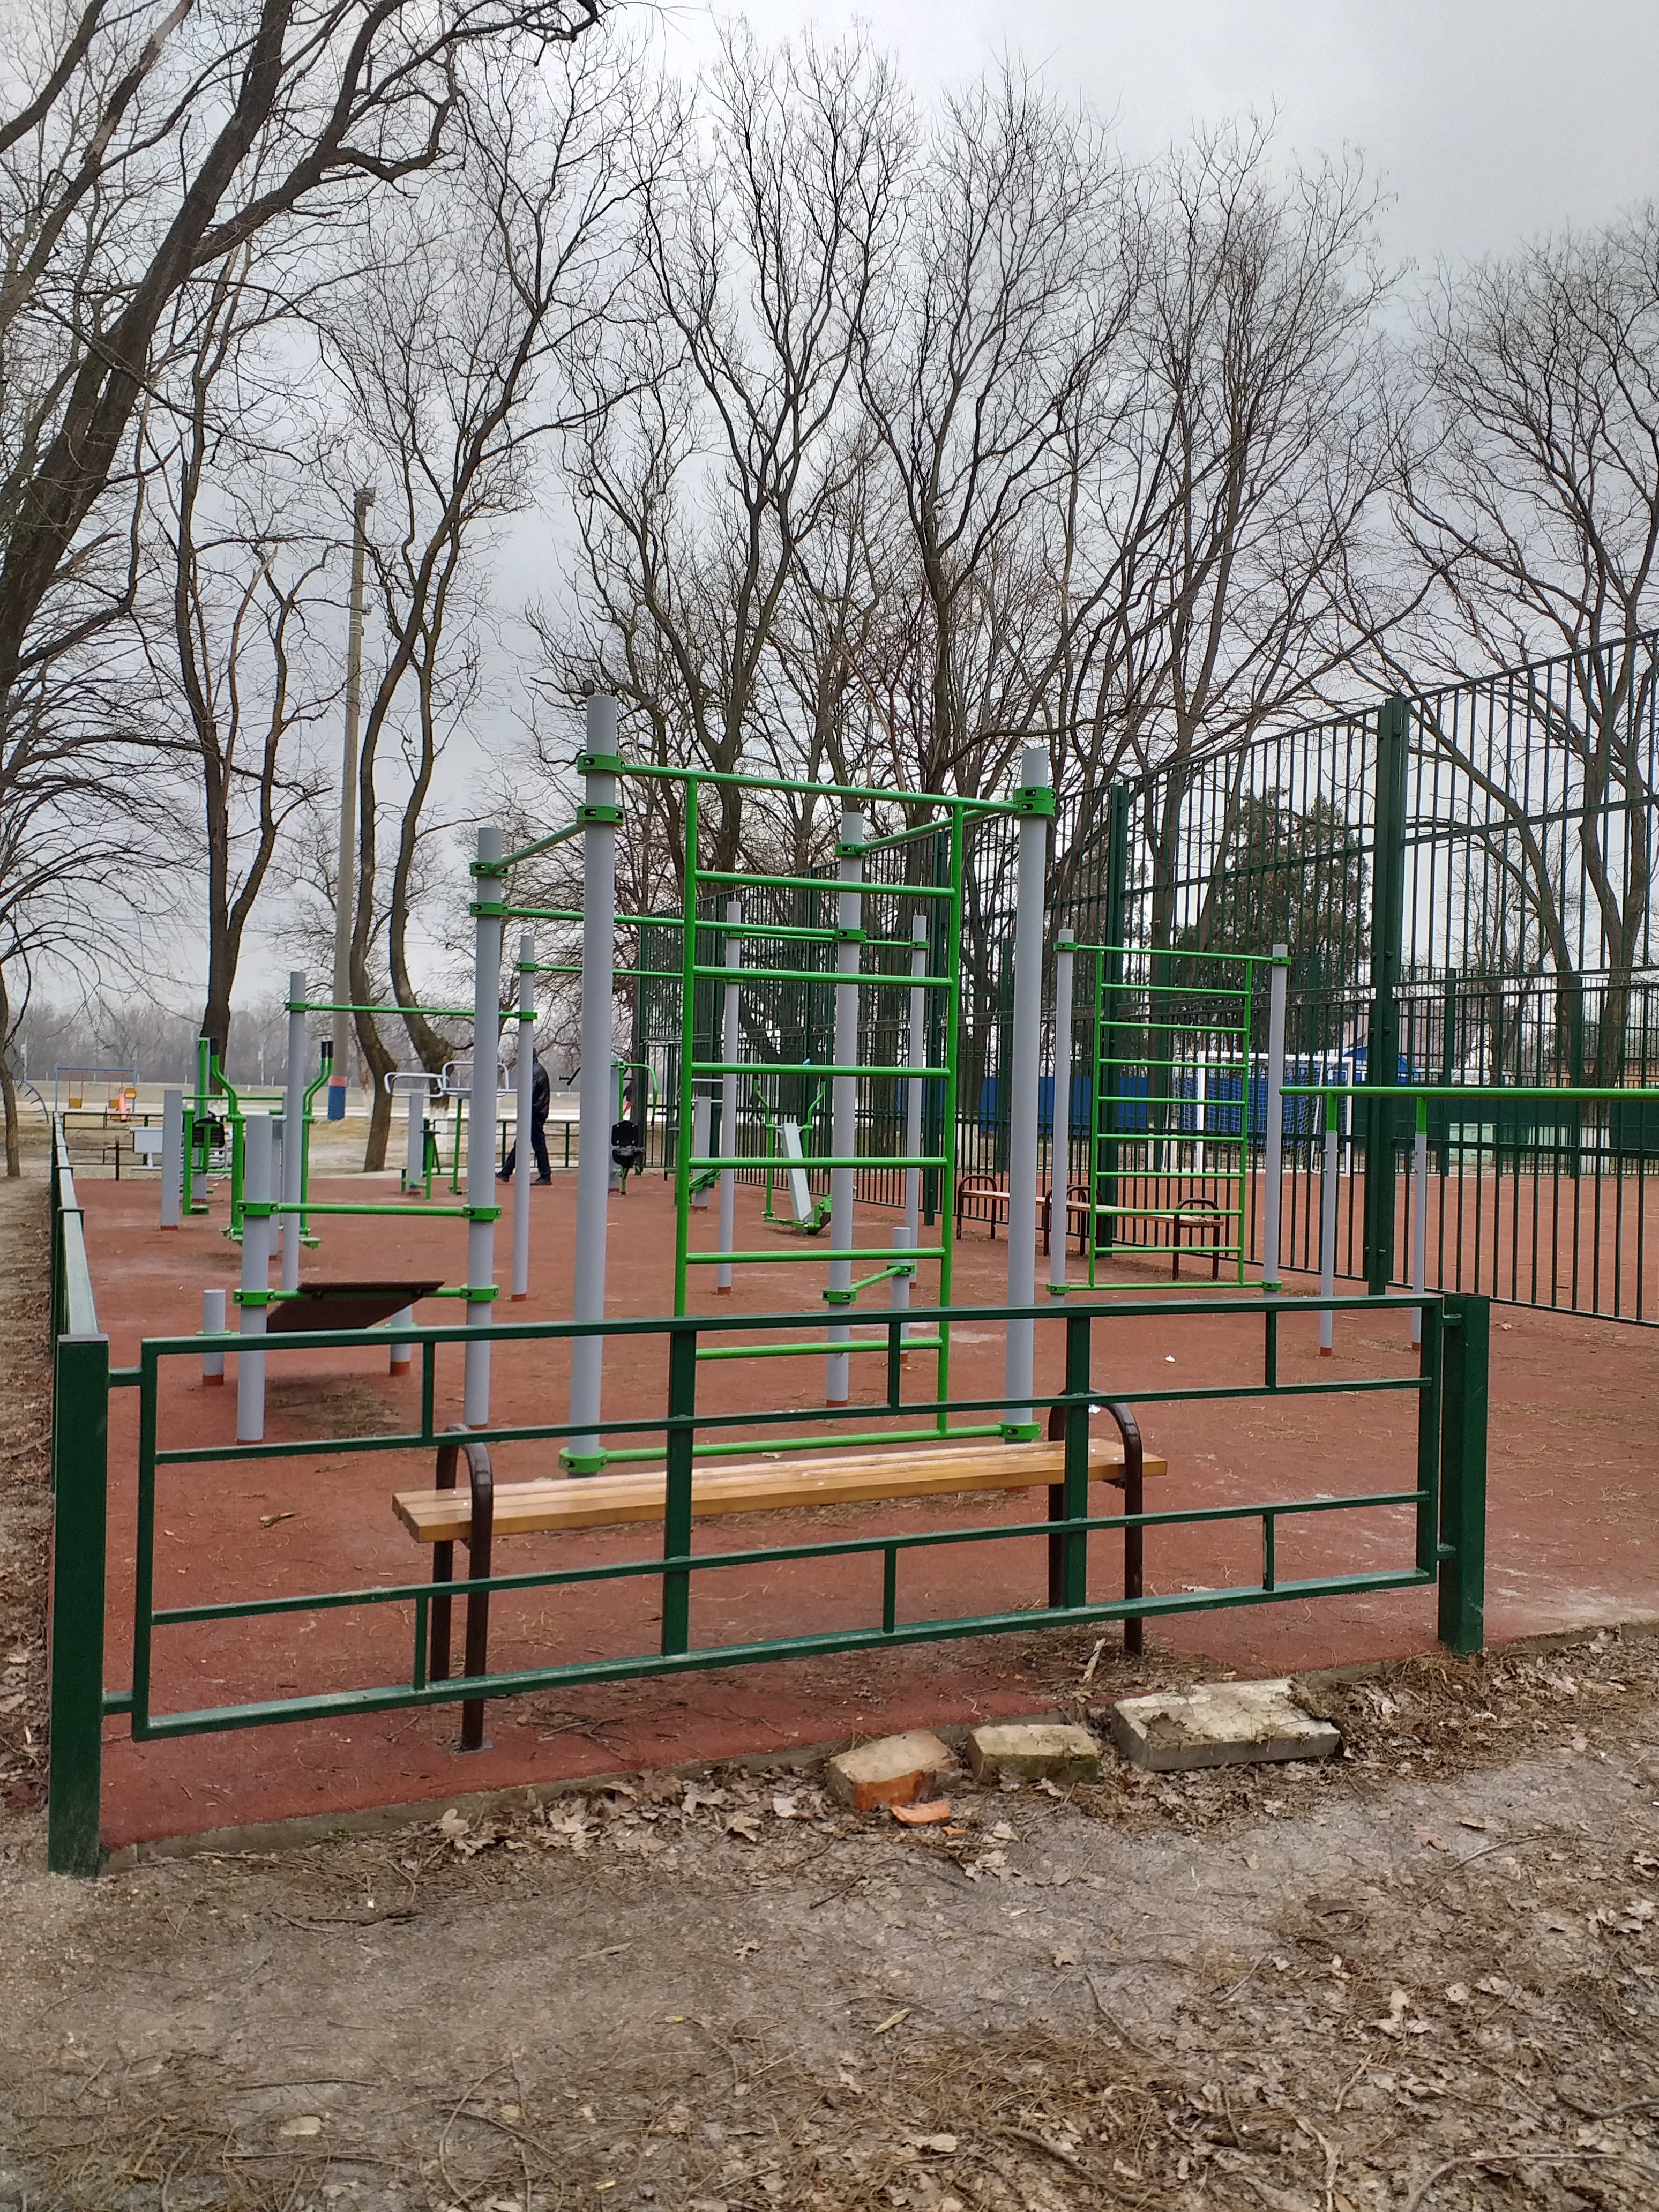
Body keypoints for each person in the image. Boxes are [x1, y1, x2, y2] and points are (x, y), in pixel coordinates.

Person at [499, 1049, 552, 1183]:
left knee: (537, 1144)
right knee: (524, 1143)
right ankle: (506, 1172)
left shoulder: (534, 1072)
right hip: (536, 1111)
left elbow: (530, 1092)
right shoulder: (536, 1070)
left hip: (534, 1112)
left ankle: (545, 1175)